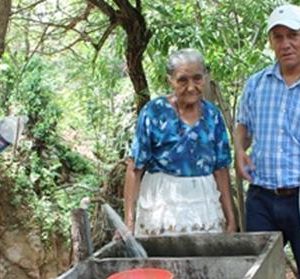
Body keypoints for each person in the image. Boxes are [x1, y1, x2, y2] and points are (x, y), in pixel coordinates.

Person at [123, 48, 236, 237]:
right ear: (170, 80)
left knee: (205, 260)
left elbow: (221, 169)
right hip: (162, 204)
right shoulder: (154, 112)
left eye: (197, 78)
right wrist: (128, 222)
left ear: (205, 78)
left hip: (203, 202)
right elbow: (135, 168)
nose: (191, 87)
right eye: (183, 80)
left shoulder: (212, 116)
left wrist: (231, 220)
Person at [234, 4, 300, 274]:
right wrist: (239, 151)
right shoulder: (256, 84)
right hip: (261, 197)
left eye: (292, 35)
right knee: (259, 270)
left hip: (298, 196)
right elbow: (243, 125)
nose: (286, 44)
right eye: (278, 37)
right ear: (271, 42)